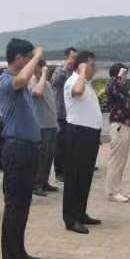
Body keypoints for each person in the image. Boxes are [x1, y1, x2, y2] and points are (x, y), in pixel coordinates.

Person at [0, 38, 45, 259]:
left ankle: (19, 252)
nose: (30, 61)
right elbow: (22, 79)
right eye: (27, 57)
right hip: (16, 150)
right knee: (14, 207)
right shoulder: (7, 81)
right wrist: (37, 56)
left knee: (23, 205)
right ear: (18, 58)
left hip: (28, 150)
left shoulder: (20, 83)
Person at [62, 51, 103, 235]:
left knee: (85, 177)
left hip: (89, 135)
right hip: (77, 134)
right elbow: (77, 92)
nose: (95, 68)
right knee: (74, 178)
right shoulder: (73, 81)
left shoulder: (86, 83)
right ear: (82, 65)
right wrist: (83, 72)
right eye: (92, 65)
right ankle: (71, 219)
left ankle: (80, 212)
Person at [105, 63, 130, 203]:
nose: (125, 76)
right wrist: (118, 77)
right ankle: (112, 192)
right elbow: (114, 89)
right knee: (116, 160)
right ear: (117, 75)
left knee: (121, 160)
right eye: (124, 74)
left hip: (126, 125)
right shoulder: (113, 86)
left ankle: (117, 189)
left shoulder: (122, 88)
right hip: (119, 126)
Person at [30, 60, 59, 197]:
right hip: (40, 125)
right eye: (39, 67)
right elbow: (38, 92)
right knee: (41, 156)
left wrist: (56, 123)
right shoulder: (32, 82)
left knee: (49, 155)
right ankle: (36, 184)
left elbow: (51, 104)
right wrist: (43, 75)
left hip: (50, 124)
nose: (43, 69)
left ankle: (44, 181)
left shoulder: (46, 83)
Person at [51, 47, 78, 183]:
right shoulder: (59, 70)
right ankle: (59, 172)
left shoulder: (75, 72)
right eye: (73, 57)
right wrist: (65, 68)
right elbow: (55, 81)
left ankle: (69, 169)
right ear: (67, 57)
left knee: (70, 144)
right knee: (60, 145)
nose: (74, 60)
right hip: (60, 113)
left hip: (72, 114)